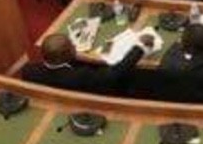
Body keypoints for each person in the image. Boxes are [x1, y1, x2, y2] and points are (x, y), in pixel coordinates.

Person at [21, 32, 152, 97]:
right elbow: (114, 74)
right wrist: (139, 47)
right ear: (69, 54)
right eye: (72, 45)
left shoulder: (28, 71)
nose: (74, 46)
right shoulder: (80, 76)